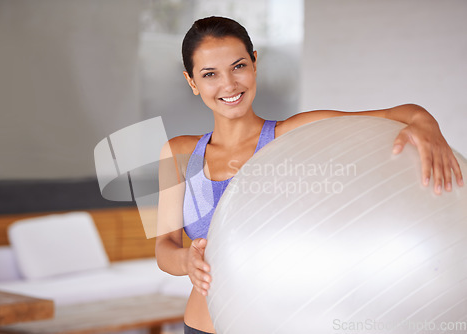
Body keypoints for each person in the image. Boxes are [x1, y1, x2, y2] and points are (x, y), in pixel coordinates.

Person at [155, 16, 463, 334]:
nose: (229, 84)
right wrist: (186, 263)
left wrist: (426, 122)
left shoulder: (294, 135)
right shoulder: (178, 153)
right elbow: (165, 246)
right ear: (192, 82)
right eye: (210, 74)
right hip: (200, 325)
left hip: (278, 322)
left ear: (254, 63)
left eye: (238, 66)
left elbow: (395, 114)